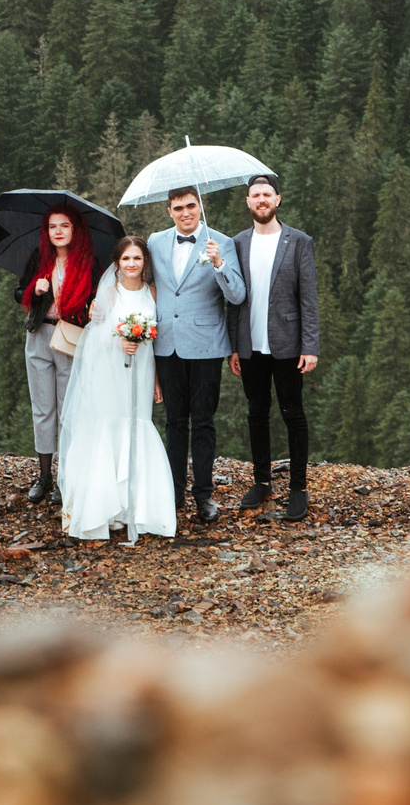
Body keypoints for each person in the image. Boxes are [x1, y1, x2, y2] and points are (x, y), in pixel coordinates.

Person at [54, 235, 178, 544]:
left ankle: (135, 508)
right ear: (117, 263)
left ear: (144, 263)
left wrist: (156, 381)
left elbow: (157, 341)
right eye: (126, 259)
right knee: (111, 430)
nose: (132, 264)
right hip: (111, 372)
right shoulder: (108, 296)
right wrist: (118, 339)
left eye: (137, 258)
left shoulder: (153, 293)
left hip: (143, 369)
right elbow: (93, 340)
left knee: (138, 427)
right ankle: (106, 510)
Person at [146, 185, 246, 521]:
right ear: (169, 211)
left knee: (203, 422)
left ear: (200, 207)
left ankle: (203, 495)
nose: (185, 213)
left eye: (191, 206)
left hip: (205, 345)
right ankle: (173, 494)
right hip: (167, 344)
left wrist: (219, 263)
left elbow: (236, 296)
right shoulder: (156, 241)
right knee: (174, 422)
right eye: (178, 208)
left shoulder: (221, 242)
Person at [227, 172, 319, 522]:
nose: (261, 200)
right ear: (248, 202)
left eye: (267, 194)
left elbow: (308, 298)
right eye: (255, 195)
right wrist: (234, 346)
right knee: (257, 412)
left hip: (288, 344)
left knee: (293, 413)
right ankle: (262, 481)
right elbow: (233, 302)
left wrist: (310, 346)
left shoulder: (298, 242)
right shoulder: (237, 243)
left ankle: (298, 487)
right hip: (250, 345)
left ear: (277, 199)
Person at [20, 208, 97, 506]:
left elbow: (95, 298)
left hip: (70, 337)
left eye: (65, 226)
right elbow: (18, 292)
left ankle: (65, 477)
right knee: (42, 408)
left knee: (68, 410)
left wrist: (91, 305)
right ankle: (44, 476)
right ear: (47, 231)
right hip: (40, 334)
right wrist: (34, 288)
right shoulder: (39, 259)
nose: (59, 231)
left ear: (75, 229)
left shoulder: (88, 263)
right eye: (53, 227)